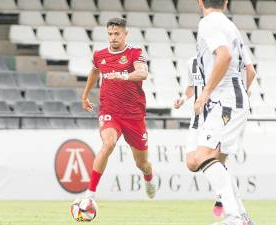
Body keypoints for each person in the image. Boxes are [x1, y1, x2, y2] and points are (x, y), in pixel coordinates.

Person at [184, 1, 257, 224]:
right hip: (231, 100)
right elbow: (250, 71)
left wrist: (206, 93)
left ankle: (234, 217)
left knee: (201, 158)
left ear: (200, 1)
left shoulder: (209, 23)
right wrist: (239, 97)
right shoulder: (230, 26)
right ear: (225, 2)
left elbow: (223, 56)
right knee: (195, 160)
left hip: (224, 102)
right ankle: (242, 217)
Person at [174, 56, 256, 224]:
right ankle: (237, 213)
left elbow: (250, 72)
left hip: (217, 115)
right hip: (196, 119)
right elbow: (192, 86)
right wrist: (183, 98)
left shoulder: (221, 60)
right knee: (192, 162)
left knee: (214, 159)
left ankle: (238, 215)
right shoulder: (192, 62)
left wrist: (244, 91)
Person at [81, 17, 156, 201]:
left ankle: (148, 178)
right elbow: (94, 72)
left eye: (117, 34)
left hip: (134, 115)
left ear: (125, 34)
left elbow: (143, 73)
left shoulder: (134, 53)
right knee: (108, 143)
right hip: (110, 111)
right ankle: (90, 194)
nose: (113, 38)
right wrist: (85, 95)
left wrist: (123, 75)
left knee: (142, 163)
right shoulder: (100, 55)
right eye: (110, 34)